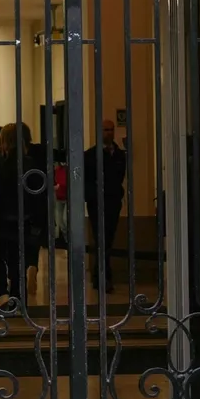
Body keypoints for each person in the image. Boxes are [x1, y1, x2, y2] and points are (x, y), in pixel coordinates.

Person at [0, 123, 45, 302]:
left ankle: (1, 293)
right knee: (17, 260)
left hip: (1, 219)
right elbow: (38, 193)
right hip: (24, 219)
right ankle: (18, 298)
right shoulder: (30, 164)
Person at [83, 119, 126, 293]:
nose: (109, 133)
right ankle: (103, 276)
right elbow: (86, 178)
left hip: (113, 201)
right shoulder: (90, 155)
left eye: (111, 129)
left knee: (108, 238)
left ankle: (101, 276)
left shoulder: (119, 154)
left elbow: (120, 176)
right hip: (96, 202)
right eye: (105, 130)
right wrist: (92, 195)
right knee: (101, 238)